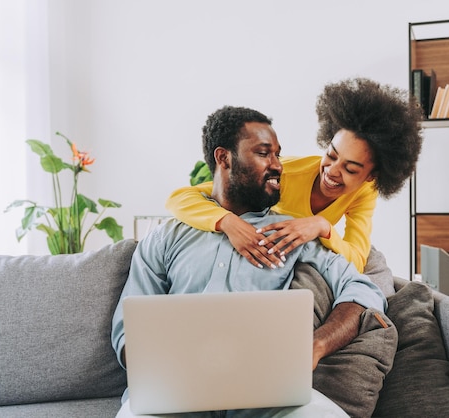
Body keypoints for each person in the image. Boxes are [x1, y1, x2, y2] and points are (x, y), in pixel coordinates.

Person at [111, 106, 388, 418]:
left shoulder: (291, 231)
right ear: (224, 158)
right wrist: (164, 372)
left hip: (268, 399)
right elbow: (126, 330)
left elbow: (363, 290)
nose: (278, 166)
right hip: (173, 399)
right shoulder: (166, 237)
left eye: (278, 155)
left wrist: (317, 345)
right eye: (263, 154)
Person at [166, 78, 423, 273]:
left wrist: (322, 227)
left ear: (370, 176)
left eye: (351, 169)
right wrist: (228, 223)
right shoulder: (285, 171)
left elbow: (357, 258)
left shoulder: (364, 193)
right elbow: (179, 198)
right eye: (331, 155)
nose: (332, 172)